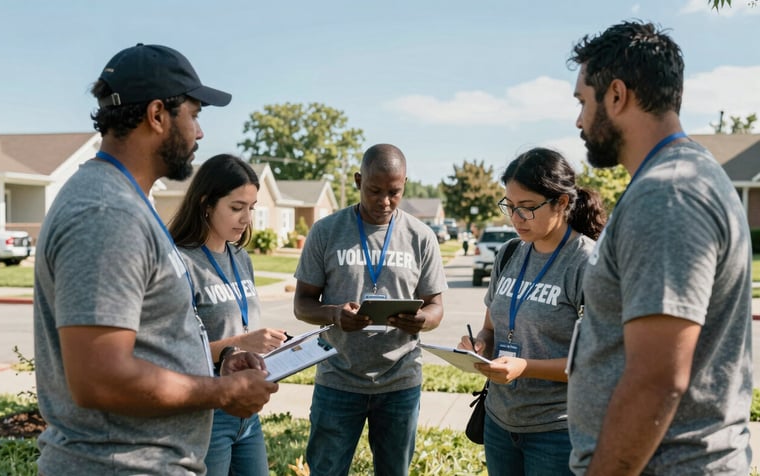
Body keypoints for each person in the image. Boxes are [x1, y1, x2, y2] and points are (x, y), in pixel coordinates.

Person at [33, 44, 278, 475]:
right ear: (157, 114)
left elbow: (150, 341)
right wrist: (221, 392)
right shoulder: (106, 212)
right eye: (195, 114)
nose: (199, 133)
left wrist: (216, 361)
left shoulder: (127, 202)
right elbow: (99, 378)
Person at [566, 21, 752, 474]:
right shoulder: (681, 177)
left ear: (616, 95)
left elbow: (656, 379)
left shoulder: (668, 194)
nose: (578, 120)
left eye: (582, 102)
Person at [293, 143, 448, 476]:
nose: (385, 201)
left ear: (405, 184)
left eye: (394, 192)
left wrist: (422, 320)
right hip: (338, 378)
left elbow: (436, 307)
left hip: (400, 381)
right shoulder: (326, 231)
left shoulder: (420, 236)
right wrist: (334, 314)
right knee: (326, 470)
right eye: (374, 190)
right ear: (357, 180)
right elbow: (302, 303)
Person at [458, 147, 606, 476]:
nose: (515, 219)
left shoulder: (587, 263)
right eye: (509, 207)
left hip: (557, 432)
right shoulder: (510, 253)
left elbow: (595, 364)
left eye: (527, 208)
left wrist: (525, 367)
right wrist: (479, 346)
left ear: (562, 202)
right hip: (499, 422)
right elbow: (491, 329)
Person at [169, 154, 286, 476]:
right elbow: (173, 352)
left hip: (246, 409)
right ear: (206, 203)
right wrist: (240, 341)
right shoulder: (180, 262)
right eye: (237, 208)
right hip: (206, 410)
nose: (247, 218)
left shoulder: (240, 257)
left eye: (252, 207)